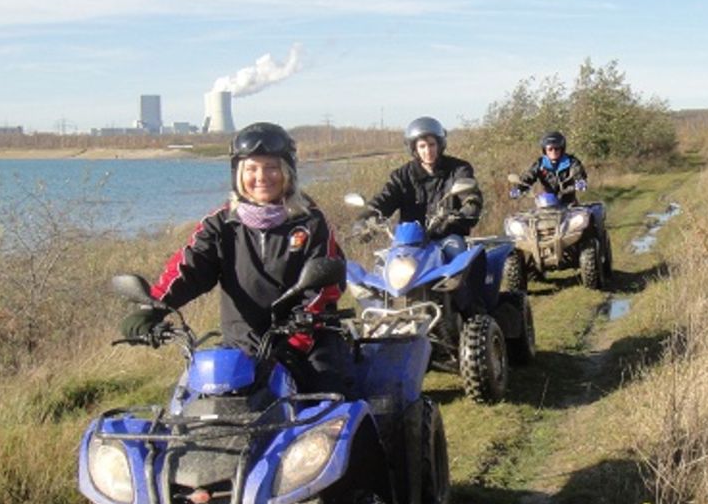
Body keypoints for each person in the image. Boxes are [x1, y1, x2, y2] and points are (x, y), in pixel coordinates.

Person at [119, 122, 346, 393]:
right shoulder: (221, 224)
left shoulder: (311, 222)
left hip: (304, 342)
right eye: (251, 168)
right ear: (238, 174)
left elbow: (325, 284)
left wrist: (297, 337)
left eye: (272, 167)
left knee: (331, 402)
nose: (261, 177)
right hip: (240, 349)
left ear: (287, 172)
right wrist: (153, 307)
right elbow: (189, 269)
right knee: (187, 403)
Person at [354, 116, 482, 241]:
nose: (428, 151)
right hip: (410, 242)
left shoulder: (458, 169)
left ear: (439, 145)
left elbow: (470, 196)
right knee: (386, 261)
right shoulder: (402, 176)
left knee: (459, 255)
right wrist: (367, 219)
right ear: (414, 149)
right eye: (422, 146)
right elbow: (386, 198)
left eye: (432, 145)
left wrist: (464, 213)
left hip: (448, 238)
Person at [510, 130, 588, 205]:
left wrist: (580, 182)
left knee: (580, 217)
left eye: (556, 148)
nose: (553, 151)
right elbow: (528, 177)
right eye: (550, 149)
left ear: (562, 149)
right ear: (545, 150)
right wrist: (519, 189)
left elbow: (578, 173)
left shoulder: (571, 161)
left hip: (569, 202)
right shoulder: (540, 164)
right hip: (547, 202)